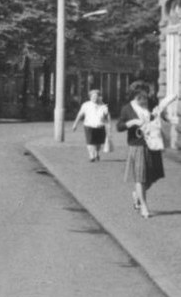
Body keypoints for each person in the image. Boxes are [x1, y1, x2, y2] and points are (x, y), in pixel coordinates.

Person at [117, 82, 167, 217]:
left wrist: (159, 115)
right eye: (140, 98)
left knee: (152, 178)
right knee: (140, 178)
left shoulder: (150, 105)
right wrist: (133, 122)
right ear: (134, 96)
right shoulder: (127, 109)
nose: (143, 100)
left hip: (153, 145)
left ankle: (137, 195)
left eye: (145, 97)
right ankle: (144, 207)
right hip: (137, 145)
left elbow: (158, 119)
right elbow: (119, 126)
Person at [72, 88, 113, 162]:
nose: (94, 98)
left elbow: (108, 116)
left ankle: (97, 153)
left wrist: (109, 125)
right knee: (90, 141)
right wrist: (75, 124)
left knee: (98, 142)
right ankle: (91, 155)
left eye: (96, 96)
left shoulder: (103, 106)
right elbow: (80, 115)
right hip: (88, 125)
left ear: (99, 97)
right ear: (90, 97)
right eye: (93, 96)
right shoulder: (85, 105)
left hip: (100, 126)